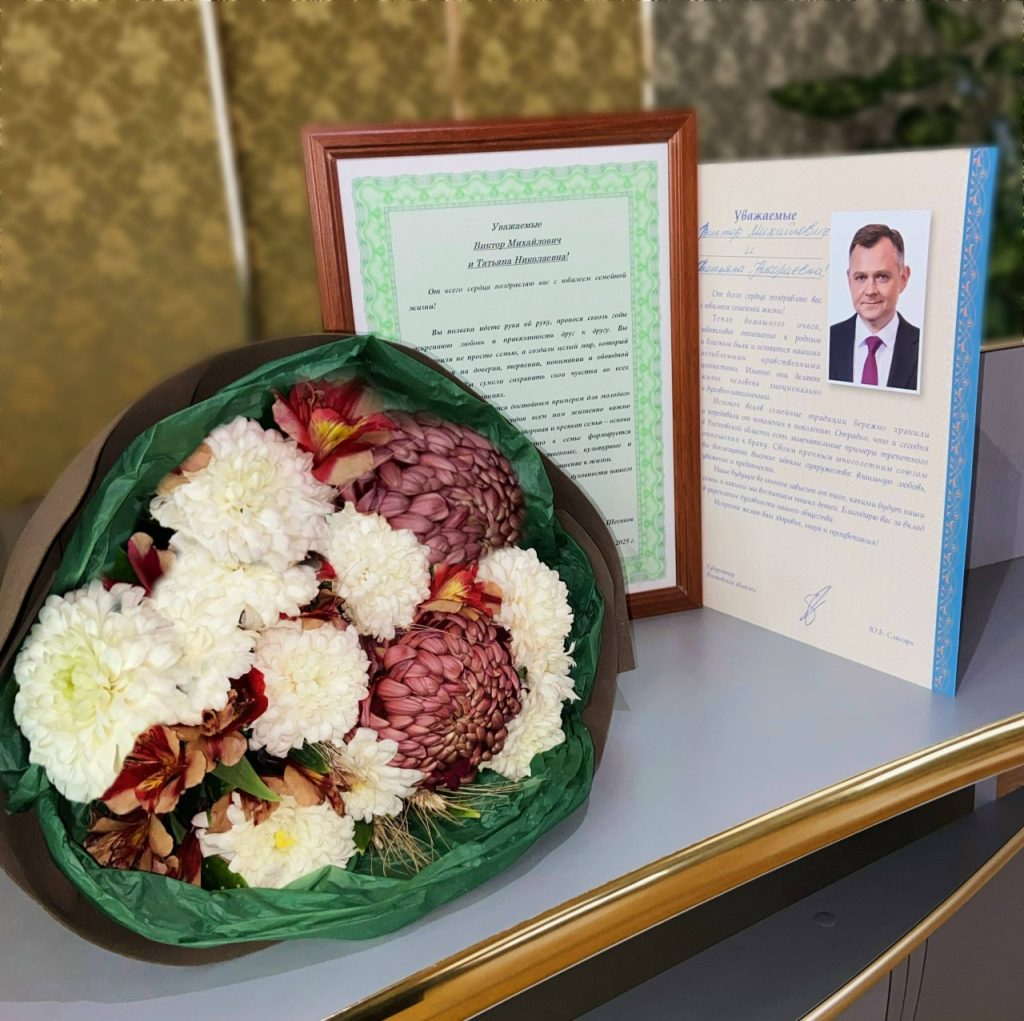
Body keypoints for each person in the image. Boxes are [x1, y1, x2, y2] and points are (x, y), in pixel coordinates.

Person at [829, 224, 919, 391]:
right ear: (849, 280)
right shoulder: (827, 340)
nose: (870, 291)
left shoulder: (925, 348)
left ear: (903, 279)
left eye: (882, 277)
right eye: (861, 278)